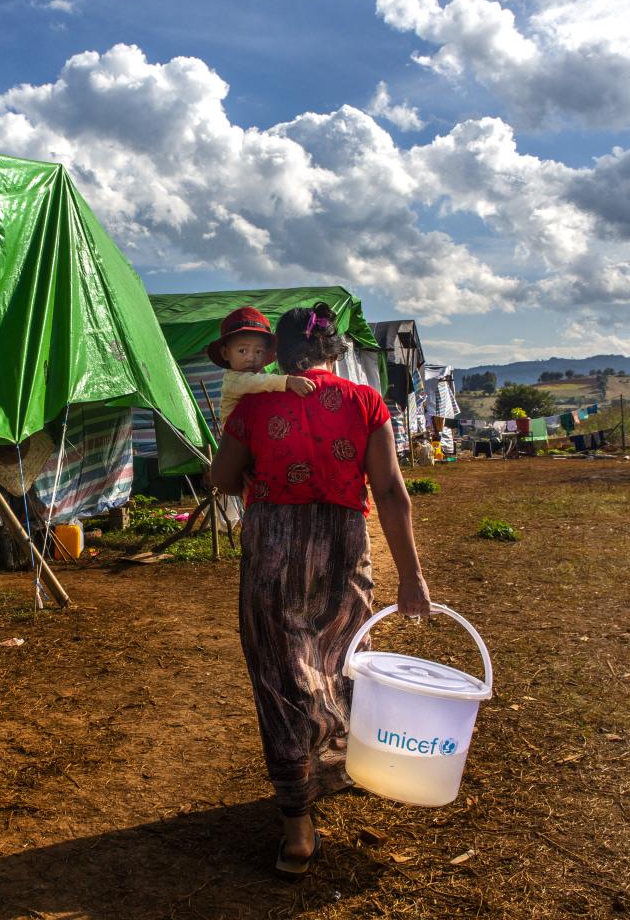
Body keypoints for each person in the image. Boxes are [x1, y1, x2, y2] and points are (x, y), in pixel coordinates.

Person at [210, 301, 431, 879]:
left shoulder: (256, 403)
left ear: (278, 352)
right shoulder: (365, 402)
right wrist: (411, 576)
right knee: (336, 662)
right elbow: (390, 491)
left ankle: (298, 827)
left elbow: (222, 478)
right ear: (335, 351)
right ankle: (337, 768)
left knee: (281, 676)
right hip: (343, 548)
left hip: (273, 551)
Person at [205, 306, 316, 424]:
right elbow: (259, 382)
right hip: (236, 438)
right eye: (242, 350)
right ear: (225, 353)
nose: (251, 358)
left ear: (267, 354)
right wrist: (288, 381)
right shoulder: (234, 380)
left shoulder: (259, 378)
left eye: (258, 351)